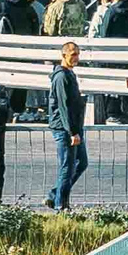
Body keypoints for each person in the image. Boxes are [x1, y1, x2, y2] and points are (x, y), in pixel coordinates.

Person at [46, 43, 87, 209]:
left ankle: (55, 195)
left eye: (77, 54)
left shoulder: (70, 73)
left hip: (73, 127)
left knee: (81, 163)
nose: (76, 58)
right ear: (63, 56)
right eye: (72, 55)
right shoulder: (61, 77)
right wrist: (72, 132)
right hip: (65, 129)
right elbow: (64, 107)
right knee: (67, 168)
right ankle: (60, 206)